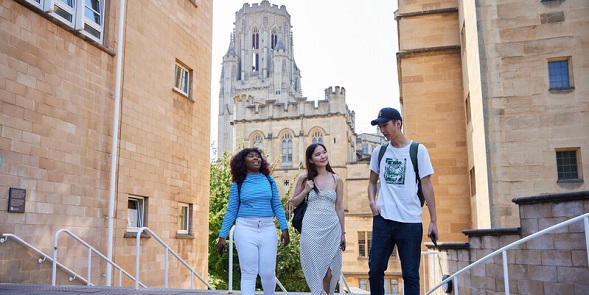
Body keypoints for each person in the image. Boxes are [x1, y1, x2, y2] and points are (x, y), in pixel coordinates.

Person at [367, 107, 438, 295]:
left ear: (398, 123)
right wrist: (372, 203)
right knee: (375, 271)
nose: (382, 130)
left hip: (410, 222)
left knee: (410, 275)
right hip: (383, 219)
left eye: (385, 125)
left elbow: (427, 186)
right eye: (380, 126)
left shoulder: (418, 150)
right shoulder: (379, 152)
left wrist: (433, 221)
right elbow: (372, 183)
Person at [216, 147, 290, 295]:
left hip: (268, 228)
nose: (256, 158)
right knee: (249, 272)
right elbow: (231, 210)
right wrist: (222, 236)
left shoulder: (269, 181)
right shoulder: (238, 184)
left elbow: (276, 205)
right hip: (245, 229)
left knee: (267, 272)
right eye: (251, 156)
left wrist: (284, 228)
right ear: (242, 162)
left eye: (258, 156)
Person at [290, 143, 346, 295]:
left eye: (324, 152)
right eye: (317, 154)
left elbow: (339, 207)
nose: (323, 156)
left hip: (332, 227)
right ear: (310, 160)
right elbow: (294, 202)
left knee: (330, 272)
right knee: (315, 270)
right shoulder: (304, 178)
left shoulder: (337, 179)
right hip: (311, 227)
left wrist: (343, 233)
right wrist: (306, 190)